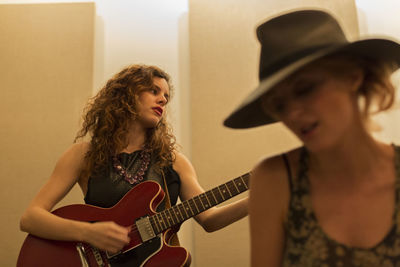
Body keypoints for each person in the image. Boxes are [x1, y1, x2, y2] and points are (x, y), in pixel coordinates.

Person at [19, 64, 248, 265]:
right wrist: (88, 232)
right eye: (154, 91)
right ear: (126, 95)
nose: (162, 100)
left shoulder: (173, 160)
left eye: (166, 97)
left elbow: (210, 219)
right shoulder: (83, 155)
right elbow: (31, 217)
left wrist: (258, 197)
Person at [223, 9, 400, 267]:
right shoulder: (275, 179)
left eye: (305, 89)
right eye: (279, 105)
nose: (292, 113)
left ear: (352, 76)